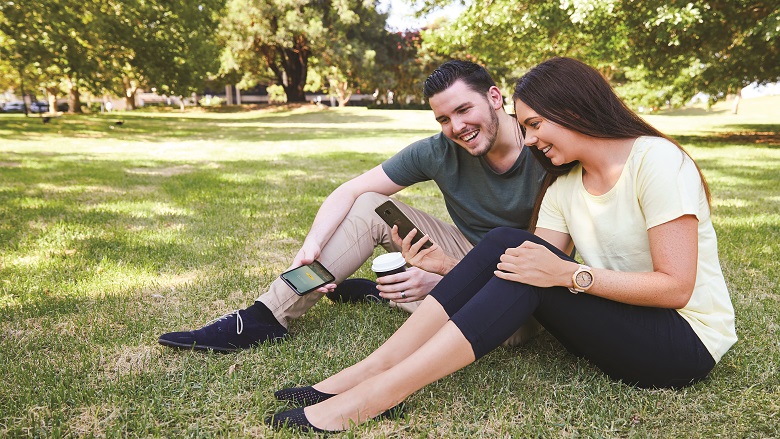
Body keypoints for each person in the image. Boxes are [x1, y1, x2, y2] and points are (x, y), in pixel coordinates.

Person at [264, 57, 738, 433]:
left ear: (570, 110)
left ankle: (380, 393)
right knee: (511, 246)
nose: (529, 140)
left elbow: (676, 287)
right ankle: (371, 370)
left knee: (521, 253)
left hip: (681, 343)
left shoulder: (656, 161)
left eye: (534, 126)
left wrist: (569, 275)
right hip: (619, 328)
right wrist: (450, 266)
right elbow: (516, 272)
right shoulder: (563, 186)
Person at [157, 60, 548, 352]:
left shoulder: (546, 150)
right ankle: (265, 316)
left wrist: (449, 280)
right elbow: (350, 191)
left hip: (521, 283)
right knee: (370, 205)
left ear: (495, 97)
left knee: (504, 332)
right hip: (467, 248)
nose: (456, 127)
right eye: (443, 118)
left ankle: (388, 293)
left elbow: (545, 266)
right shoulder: (439, 150)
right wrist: (312, 244)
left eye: (464, 110)